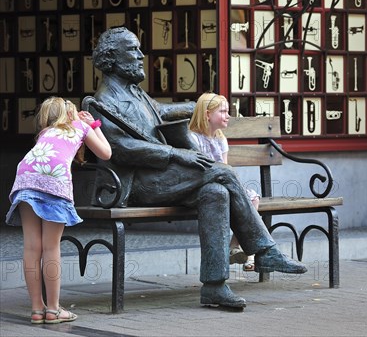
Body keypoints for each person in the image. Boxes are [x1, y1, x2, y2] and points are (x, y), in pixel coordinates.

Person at [89, 26, 307, 310]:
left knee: (216, 192)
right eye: (133, 50)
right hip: (136, 183)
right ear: (112, 58)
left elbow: (161, 112)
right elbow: (121, 149)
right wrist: (178, 155)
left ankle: (215, 286)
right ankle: (265, 249)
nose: (141, 55)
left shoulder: (135, 94)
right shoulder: (105, 100)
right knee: (223, 171)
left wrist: (196, 105)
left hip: (159, 177)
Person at [6, 97, 112, 324]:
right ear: (71, 113)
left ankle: (37, 309)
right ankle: (53, 310)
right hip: (53, 178)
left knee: (32, 247)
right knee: (51, 246)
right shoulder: (80, 125)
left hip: (25, 175)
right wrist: (93, 126)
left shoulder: (46, 132)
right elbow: (106, 153)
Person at [189, 92, 260, 271]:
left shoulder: (220, 138)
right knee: (234, 199)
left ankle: (235, 245)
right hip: (203, 187)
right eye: (223, 111)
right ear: (207, 115)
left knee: (252, 198)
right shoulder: (193, 138)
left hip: (223, 183)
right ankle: (250, 252)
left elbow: (226, 167)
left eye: (228, 111)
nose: (228, 115)